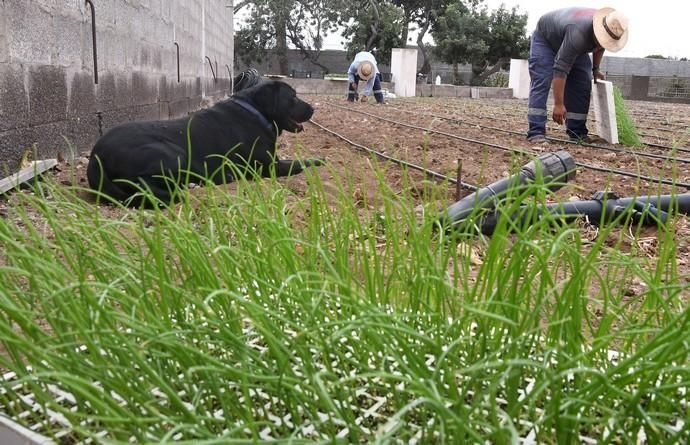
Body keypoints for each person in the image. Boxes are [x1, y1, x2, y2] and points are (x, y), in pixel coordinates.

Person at [527, 7, 629, 143]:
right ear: (597, 31)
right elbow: (560, 68)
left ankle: (577, 131)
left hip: (570, 41)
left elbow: (600, 46)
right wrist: (559, 104)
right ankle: (536, 131)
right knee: (542, 80)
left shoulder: (609, 26)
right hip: (546, 40)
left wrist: (595, 69)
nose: (604, 42)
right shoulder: (578, 35)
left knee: (582, 81)